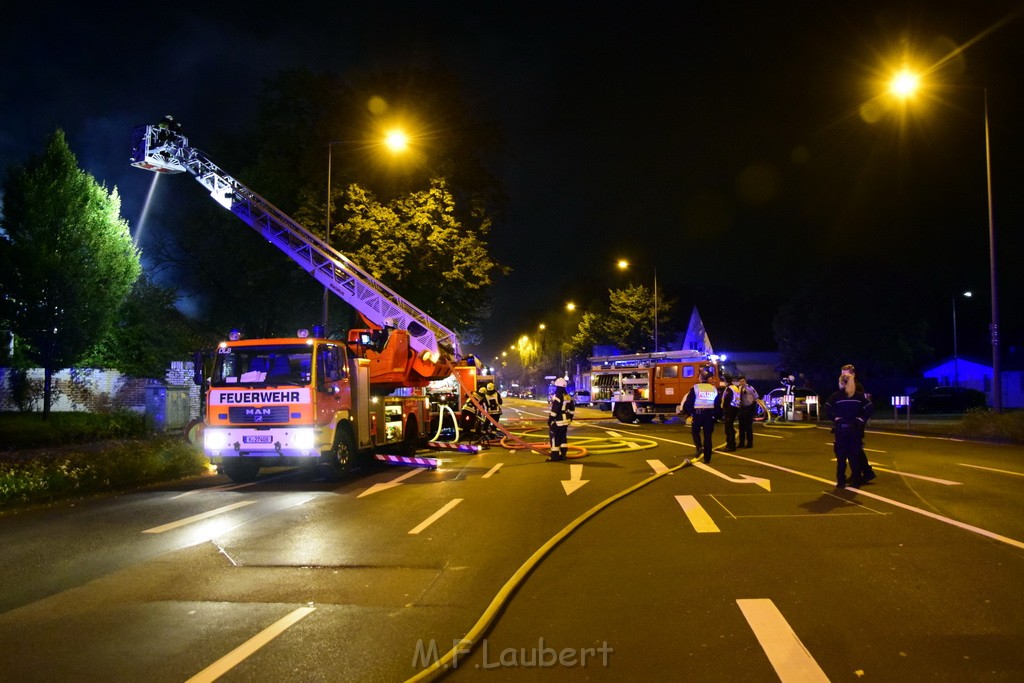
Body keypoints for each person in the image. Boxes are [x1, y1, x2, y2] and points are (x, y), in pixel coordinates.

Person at [825, 373, 874, 488]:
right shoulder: (857, 396)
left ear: (841, 383)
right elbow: (869, 406)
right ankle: (856, 481)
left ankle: (841, 481)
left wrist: (834, 418)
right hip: (854, 429)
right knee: (854, 456)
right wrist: (862, 419)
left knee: (841, 457)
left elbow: (827, 406)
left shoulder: (836, 396)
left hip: (841, 429)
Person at [841, 364, 876, 484]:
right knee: (854, 449)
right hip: (848, 422)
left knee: (855, 449)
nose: (844, 376)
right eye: (842, 373)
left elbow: (863, 404)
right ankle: (864, 472)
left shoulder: (856, 387)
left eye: (846, 374)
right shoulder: (846, 386)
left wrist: (861, 420)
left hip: (855, 422)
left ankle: (864, 472)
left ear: (853, 374)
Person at [680, 370, 721, 464]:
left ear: (701, 378)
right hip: (709, 415)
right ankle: (707, 458)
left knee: (695, 432)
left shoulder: (695, 388)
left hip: (698, 414)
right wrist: (715, 415)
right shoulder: (714, 389)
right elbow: (718, 404)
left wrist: (691, 413)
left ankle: (699, 447)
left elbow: (689, 402)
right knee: (708, 436)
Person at [547, 378, 575, 461]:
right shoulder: (568, 397)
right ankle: (563, 455)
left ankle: (555, 457)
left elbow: (554, 411)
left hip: (558, 421)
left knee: (554, 437)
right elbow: (572, 410)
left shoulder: (558, 397)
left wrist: (550, 420)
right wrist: (570, 419)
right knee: (563, 438)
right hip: (566, 421)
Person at [737, 375, 758, 448]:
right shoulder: (739, 388)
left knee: (748, 426)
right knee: (741, 426)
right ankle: (741, 442)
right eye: (740, 381)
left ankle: (749, 443)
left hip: (749, 408)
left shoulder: (750, 388)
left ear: (745, 381)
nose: (742, 382)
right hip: (742, 408)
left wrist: (751, 405)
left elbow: (756, 397)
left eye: (743, 381)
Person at [720, 375, 740, 451]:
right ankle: (731, 444)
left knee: (728, 429)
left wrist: (724, 407)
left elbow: (727, 399)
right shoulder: (735, 387)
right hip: (734, 409)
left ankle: (731, 446)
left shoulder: (729, 389)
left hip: (730, 410)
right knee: (730, 428)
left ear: (725, 380)